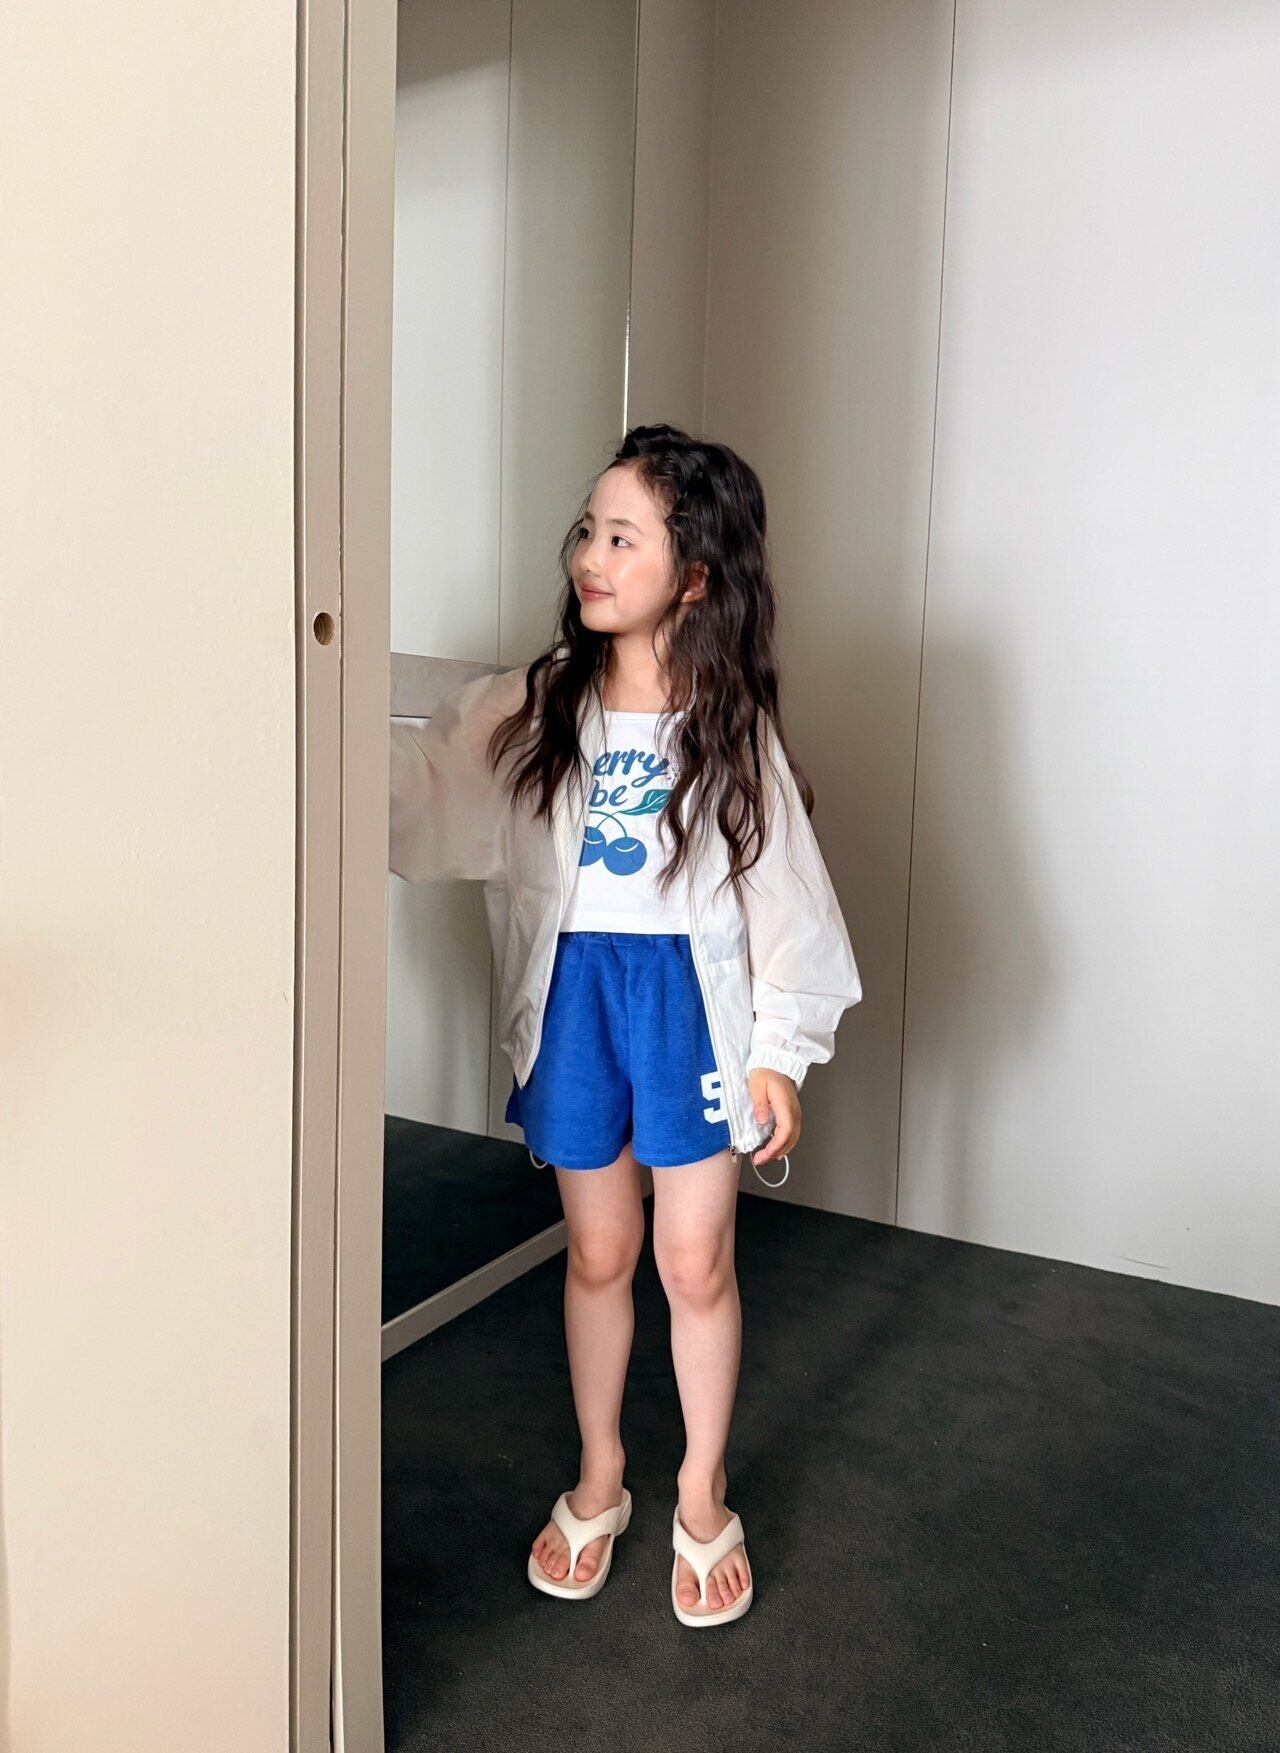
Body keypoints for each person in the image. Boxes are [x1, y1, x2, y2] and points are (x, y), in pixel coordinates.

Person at [389, 423, 862, 1626]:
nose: (589, 558)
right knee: (598, 1251)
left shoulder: (725, 724)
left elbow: (786, 899)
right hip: (576, 1001)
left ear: (694, 575)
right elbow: (430, 784)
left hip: (688, 1012)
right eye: (587, 532)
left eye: (620, 538)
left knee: (692, 1259)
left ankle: (701, 1488)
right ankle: (599, 1474)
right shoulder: (539, 701)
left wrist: (778, 1054)